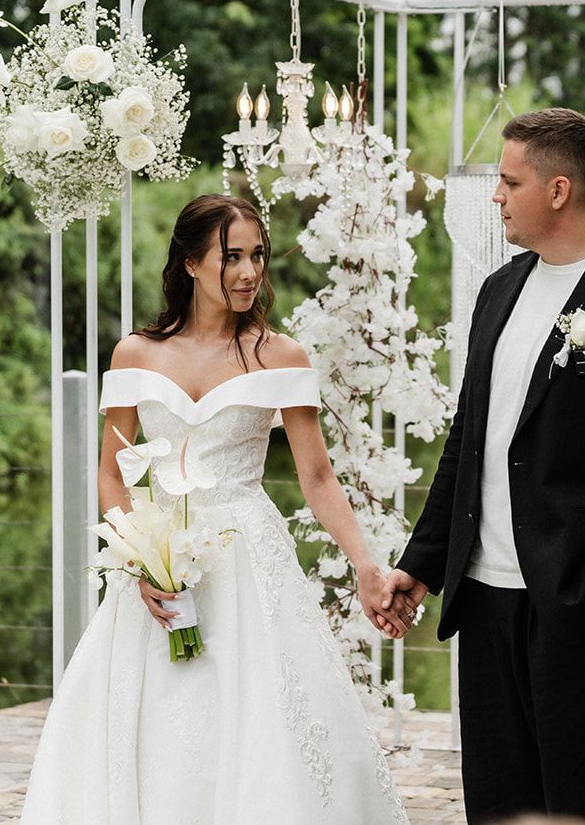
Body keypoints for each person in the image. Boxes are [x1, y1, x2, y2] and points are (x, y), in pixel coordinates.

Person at [21, 193, 409, 824]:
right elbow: (111, 470)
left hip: (246, 561)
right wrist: (139, 560)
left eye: (257, 256)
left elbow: (316, 475)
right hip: (157, 559)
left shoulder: (280, 355)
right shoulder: (134, 354)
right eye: (231, 257)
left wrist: (365, 564)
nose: (249, 272)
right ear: (191, 264)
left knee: (260, 716)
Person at [382, 108, 585, 825]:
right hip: (484, 593)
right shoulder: (498, 290)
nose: (495, 195)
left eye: (509, 181)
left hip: (578, 603)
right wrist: (426, 560)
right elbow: (470, 438)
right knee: (500, 807)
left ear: (558, 189)